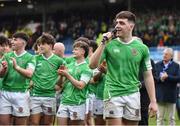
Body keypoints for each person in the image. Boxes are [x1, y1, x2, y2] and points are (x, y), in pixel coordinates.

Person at [89, 11, 157, 125]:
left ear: (131, 26)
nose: (117, 26)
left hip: (133, 93)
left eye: (121, 23)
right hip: (113, 93)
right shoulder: (109, 45)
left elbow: (148, 76)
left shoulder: (142, 48)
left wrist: (153, 101)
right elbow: (92, 65)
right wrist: (103, 42)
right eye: (116, 23)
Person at [29, 33, 65, 125]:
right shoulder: (35, 58)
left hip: (50, 96)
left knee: (47, 124)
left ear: (50, 45)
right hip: (35, 96)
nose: (40, 46)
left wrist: (59, 82)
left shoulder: (59, 61)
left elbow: (64, 78)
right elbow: (29, 73)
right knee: (34, 123)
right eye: (39, 44)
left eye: (43, 44)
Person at [0, 32, 36, 125]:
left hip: (21, 94)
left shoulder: (30, 58)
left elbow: (29, 74)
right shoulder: (7, 56)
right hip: (5, 93)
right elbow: (1, 75)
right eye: (12, 39)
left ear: (23, 43)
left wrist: (17, 68)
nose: (12, 42)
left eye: (15, 40)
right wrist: (3, 69)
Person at [56, 39, 92, 125]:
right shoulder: (69, 65)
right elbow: (60, 85)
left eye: (76, 49)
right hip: (64, 101)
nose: (73, 51)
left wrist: (67, 75)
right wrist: (61, 75)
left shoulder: (87, 69)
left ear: (83, 51)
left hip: (77, 103)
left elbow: (80, 86)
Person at [155, 47, 180, 126]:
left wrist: (168, 77)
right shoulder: (157, 65)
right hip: (160, 95)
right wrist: (160, 79)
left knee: (171, 118)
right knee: (159, 118)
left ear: (171, 56)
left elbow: (178, 78)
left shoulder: (176, 66)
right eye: (163, 54)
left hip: (171, 95)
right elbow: (154, 78)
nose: (164, 55)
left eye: (166, 54)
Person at [138, 59, 157, 126]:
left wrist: (140, 84)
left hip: (144, 97)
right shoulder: (129, 59)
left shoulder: (149, 61)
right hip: (130, 95)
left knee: (143, 120)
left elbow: (154, 78)